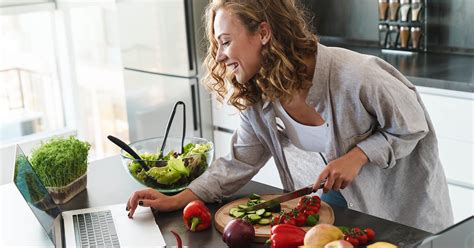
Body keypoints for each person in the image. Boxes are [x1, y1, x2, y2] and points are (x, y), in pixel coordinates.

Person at [126, 0, 453, 233]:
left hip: (406, 222)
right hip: (340, 216)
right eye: (217, 45)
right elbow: (239, 163)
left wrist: (359, 155)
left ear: (264, 32)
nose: (220, 55)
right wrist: (177, 199)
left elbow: (412, 127)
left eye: (225, 41)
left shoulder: (357, 75)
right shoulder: (259, 95)